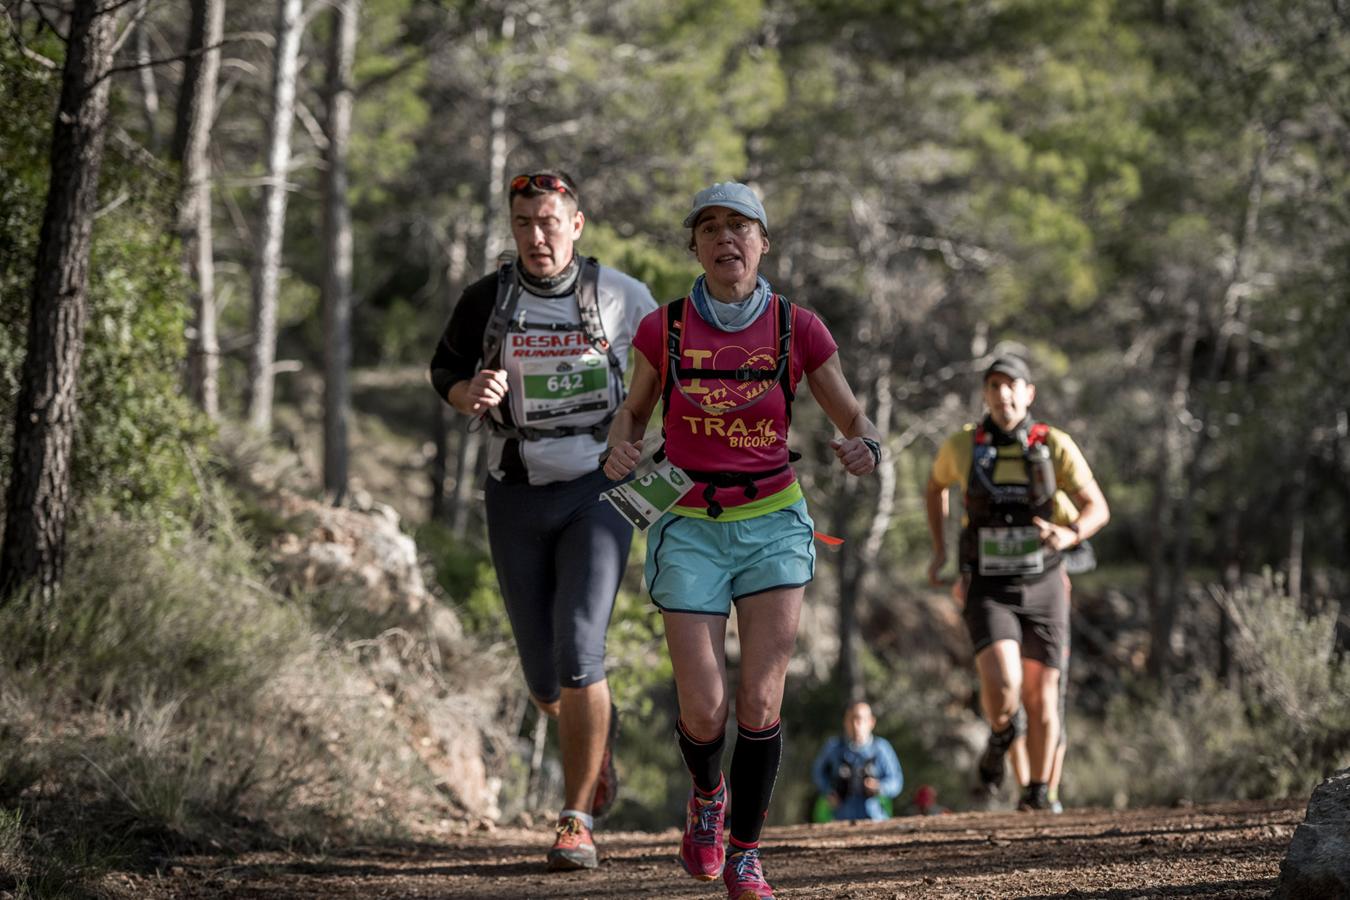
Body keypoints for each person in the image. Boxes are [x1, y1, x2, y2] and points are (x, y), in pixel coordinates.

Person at [603, 181, 882, 900]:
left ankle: (747, 852)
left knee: (760, 703)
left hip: (773, 522)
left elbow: (855, 417)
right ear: (695, 246)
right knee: (704, 709)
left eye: (741, 227)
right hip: (687, 524)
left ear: (763, 242)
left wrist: (865, 448)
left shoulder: (799, 329)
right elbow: (632, 415)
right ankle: (706, 798)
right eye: (711, 229)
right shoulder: (662, 330)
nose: (727, 239)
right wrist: (621, 451)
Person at [429, 170, 656, 870]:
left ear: (577, 223)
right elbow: (445, 371)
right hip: (516, 492)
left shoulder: (622, 297)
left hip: (599, 491)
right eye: (524, 222)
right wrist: (474, 390)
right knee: (544, 678)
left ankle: (576, 816)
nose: (536, 236)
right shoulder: (486, 300)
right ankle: (595, 744)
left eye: (549, 221)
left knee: (582, 651)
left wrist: (657, 492)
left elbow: (669, 387)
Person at [925, 354, 1109, 811]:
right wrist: (941, 551)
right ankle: (1003, 732)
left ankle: (1038, 793)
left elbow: (1097, 508)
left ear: (1029, 393)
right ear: (985, 394)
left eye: (1013, 386)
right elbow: (934, 487)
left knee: (1042, 693)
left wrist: (1069, 533)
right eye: (994, 386)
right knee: (1005, 685)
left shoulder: (1055, 444)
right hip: (987, 583)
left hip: (1044, 579)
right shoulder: (963, 446)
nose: (1003, 394)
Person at [811, 701, 903, 821]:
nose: (855, 724)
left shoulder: (881, 749)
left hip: (875, 819)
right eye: (851, 719)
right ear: (845, 722)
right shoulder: (834, 747)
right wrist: (829, 791)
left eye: (860, 719)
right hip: (840, 819)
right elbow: (817, 773)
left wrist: (879, 787)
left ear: (871, 722)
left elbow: (896, 781)